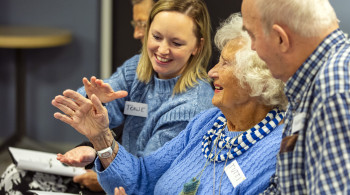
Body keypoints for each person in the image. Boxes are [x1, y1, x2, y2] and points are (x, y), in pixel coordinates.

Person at [53, 13, 288, 194]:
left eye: (225, 64)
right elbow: (142, 178)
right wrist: (101, 138)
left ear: (257, 82)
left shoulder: (278, 155)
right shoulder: (209, 123)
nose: (212, 72)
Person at [0, 0, 157, 194]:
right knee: (12, 175)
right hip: (109, 164)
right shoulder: (138, 66)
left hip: (123, 181)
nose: (136, 34)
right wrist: (93, 101)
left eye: (143, 24)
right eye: (135, 25)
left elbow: (153, 177)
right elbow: (102, 100)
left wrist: (103, 172)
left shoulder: (189, 102)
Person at [241, 0, 350, 194]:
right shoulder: (306, 85)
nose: (253, 48)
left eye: (252, 35)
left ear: (281, 38)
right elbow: (284, 188)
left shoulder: (334, 86)